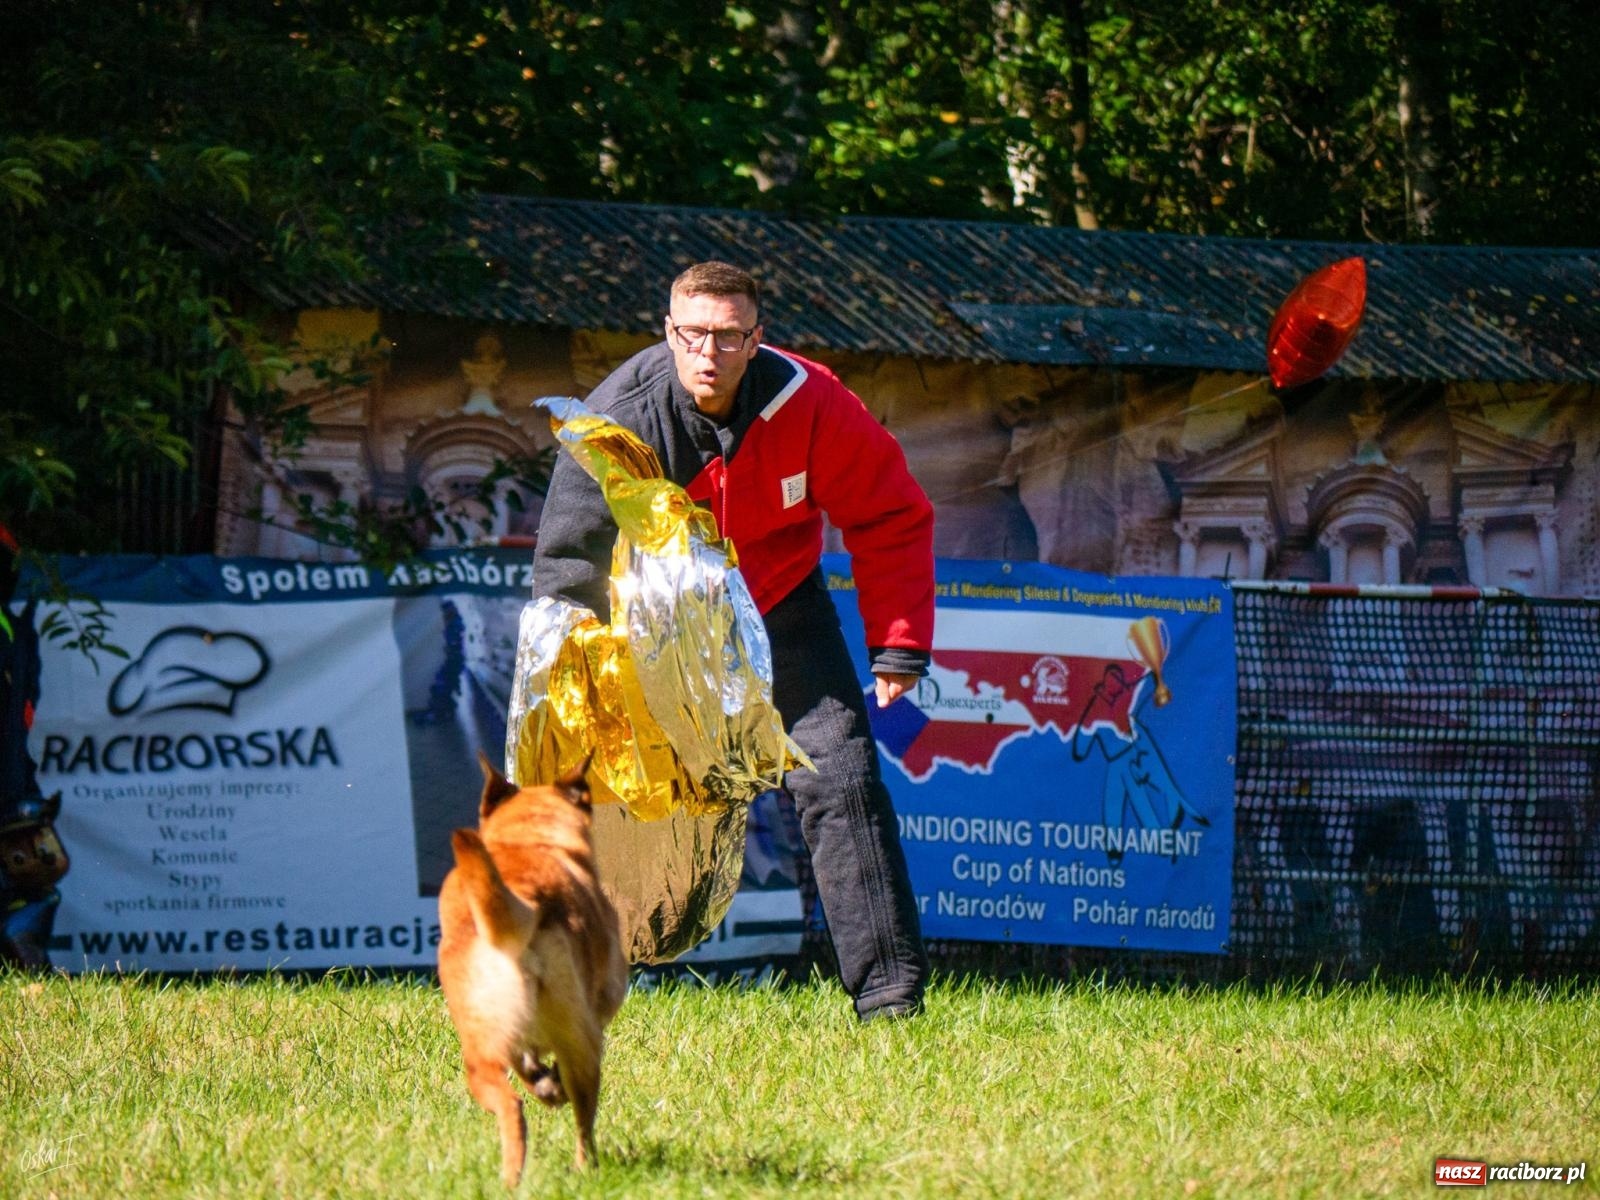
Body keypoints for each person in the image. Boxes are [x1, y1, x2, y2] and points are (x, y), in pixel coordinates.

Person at [533, 260, 934, 1021]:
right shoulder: (619, 414)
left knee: (842, 777)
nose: (707, 353)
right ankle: (568, 979)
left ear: (757, 339)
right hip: (650, 624)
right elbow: (568, 560)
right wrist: (576, 676)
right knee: (590, 791)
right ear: (668, 333)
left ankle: (889, 1001)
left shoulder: (811, 401)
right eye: (692, 335)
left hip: (780, 607)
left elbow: (890, 513)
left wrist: (900, 643)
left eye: (726, 336)